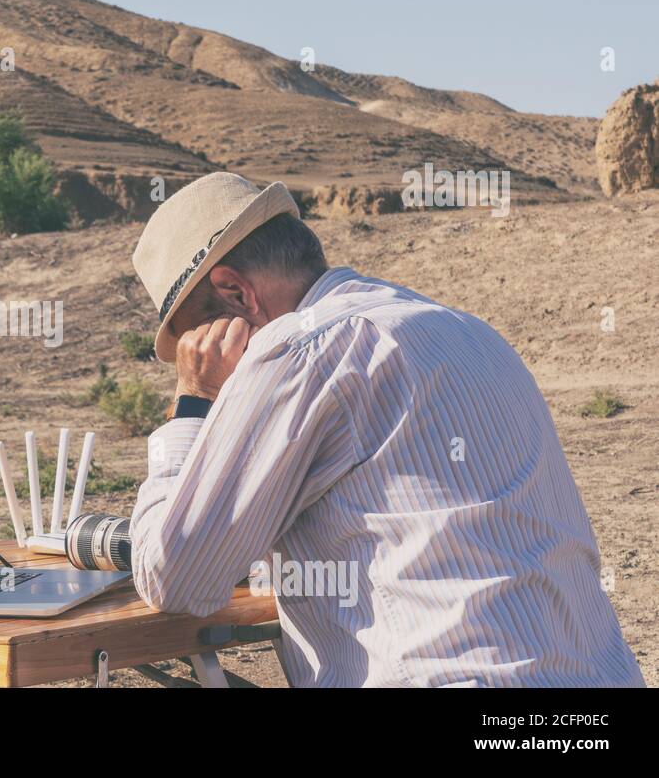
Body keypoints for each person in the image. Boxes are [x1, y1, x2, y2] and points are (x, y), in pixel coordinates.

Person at [127, 171, 644, 687]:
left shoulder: (300, 348)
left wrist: (194, 401)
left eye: (200, 338)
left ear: (236, 293)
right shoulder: (464, 330)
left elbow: (177, 578)